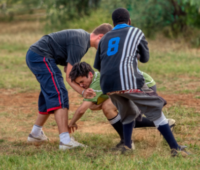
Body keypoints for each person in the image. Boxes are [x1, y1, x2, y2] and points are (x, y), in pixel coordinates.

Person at [93, 8, 189, 156]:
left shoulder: (104, 38)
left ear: (113, 23)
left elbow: (98, 65)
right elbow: (145, 59)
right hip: (128, 81)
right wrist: (134, 55)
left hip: (107, 84)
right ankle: (175, 148)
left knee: (128, 112)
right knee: (155, 110)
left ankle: (127, 146)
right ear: (129, 21)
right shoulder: (136, 32)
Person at [26, 24, 113, 150]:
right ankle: (65, 141)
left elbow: (69, 69)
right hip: (40, 56)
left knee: (50, 93)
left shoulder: (82, 40)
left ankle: (35, 133)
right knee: (59, 93)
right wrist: (83, 92)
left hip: (37, 55)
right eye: (107, 42)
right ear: (101, 36)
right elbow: (69, 77)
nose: (106, 46)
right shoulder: (80, 43)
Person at [68, 62, 175, 150]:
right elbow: (93, 106)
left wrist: (71, 123)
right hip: (135, 85)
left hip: (143, 85)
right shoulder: (95, 79)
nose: (81, 86)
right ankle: (165, 124)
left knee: (122, 114)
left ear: (90, 75)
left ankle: (127, 142)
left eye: (82, 81)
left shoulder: (97, 82)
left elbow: (82, 110)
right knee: (123, 115)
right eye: (78, 84)